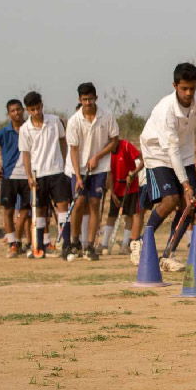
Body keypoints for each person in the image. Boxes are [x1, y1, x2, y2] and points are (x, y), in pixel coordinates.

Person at [134, 63, 196, 270]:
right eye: (184, 88)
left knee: (188, 205)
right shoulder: (166, 110)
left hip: (185, 153)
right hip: (158, 153)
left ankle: (169, 254)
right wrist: (187, 186)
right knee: (171, 199)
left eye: (192, 87)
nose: (189, 93)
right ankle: (140, 243)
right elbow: (171, 152)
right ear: (175, 86)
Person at [64, 83, 120, 261]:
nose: (87, 103)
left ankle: (89, 245)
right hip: (78, 168)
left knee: (95, 203)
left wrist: (98, 156)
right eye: (84, 100)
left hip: (100, 167)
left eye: (90, 99)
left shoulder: (107, 116)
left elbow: (114, 141)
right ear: (79, 100)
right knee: (79, 202)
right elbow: (73, 150)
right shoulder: (74, 121)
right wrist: (78, 177)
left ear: (96, 98)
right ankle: (74, 243)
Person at [17, 91, 72, 259]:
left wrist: (64, 163)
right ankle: (38, 246)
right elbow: (26, 154)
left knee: (63, 207)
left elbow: (63, 140)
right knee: (39, 210)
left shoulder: (54, 121)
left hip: (56, 171)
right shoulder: (25, 129)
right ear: (27, 110)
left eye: (38, 108)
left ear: (42, 105)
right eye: (32, 109)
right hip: (38, 173)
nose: (36, 112)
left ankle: (67, 245)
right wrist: (29, 176)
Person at [0, 99, 29, 257]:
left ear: (23, 110)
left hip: (27, 176)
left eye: (18, 109)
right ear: (9, 114)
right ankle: (12, 245)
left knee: (25, 212)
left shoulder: (30, 128)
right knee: (8, 211)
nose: (16, 113)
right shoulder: (4, 132)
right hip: (9, 176)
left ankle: (19, 241)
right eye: (13, 111)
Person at [102, 136, 143, 255]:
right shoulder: (106, 151)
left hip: (131, 187)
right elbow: (109, 173)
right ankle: (104, 244)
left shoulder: (126, 145)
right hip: (116, 188)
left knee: (129, 215)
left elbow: (142, 160)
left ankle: (125, 245)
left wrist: (134, 173)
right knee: (112, 215)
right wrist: (112, 192)